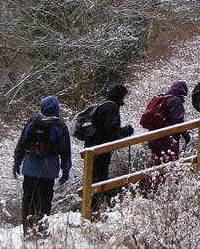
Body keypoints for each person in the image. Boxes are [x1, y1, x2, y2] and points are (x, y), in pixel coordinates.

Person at [13, 96, 71, 236]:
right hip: (48, 170)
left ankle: (28, 231)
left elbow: (22, 143)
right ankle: (42, 231)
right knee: (44, 202)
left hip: (29, 169)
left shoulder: (33, 121)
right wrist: (65, 170)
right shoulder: (60, 125)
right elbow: (65, 150)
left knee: (28, 200)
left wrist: (17, 161)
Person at [85, 84, 134, 211]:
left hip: (92, 146)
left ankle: (91, 207)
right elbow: (112, 129)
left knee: (93, 177)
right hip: (101, 148)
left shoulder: (104, 105)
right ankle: (95, 209)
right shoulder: (111, 107)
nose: (125, 98)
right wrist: (126, 131)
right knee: (100, 178)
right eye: (124, 95)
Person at [147, 80, 191, 165]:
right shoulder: (176, 101)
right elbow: (178, 122)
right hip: (167, 140)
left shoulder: (162, 98)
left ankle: (155, 178)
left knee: (156, 166)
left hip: (154, 137)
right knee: (168, 165)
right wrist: (185, 134)